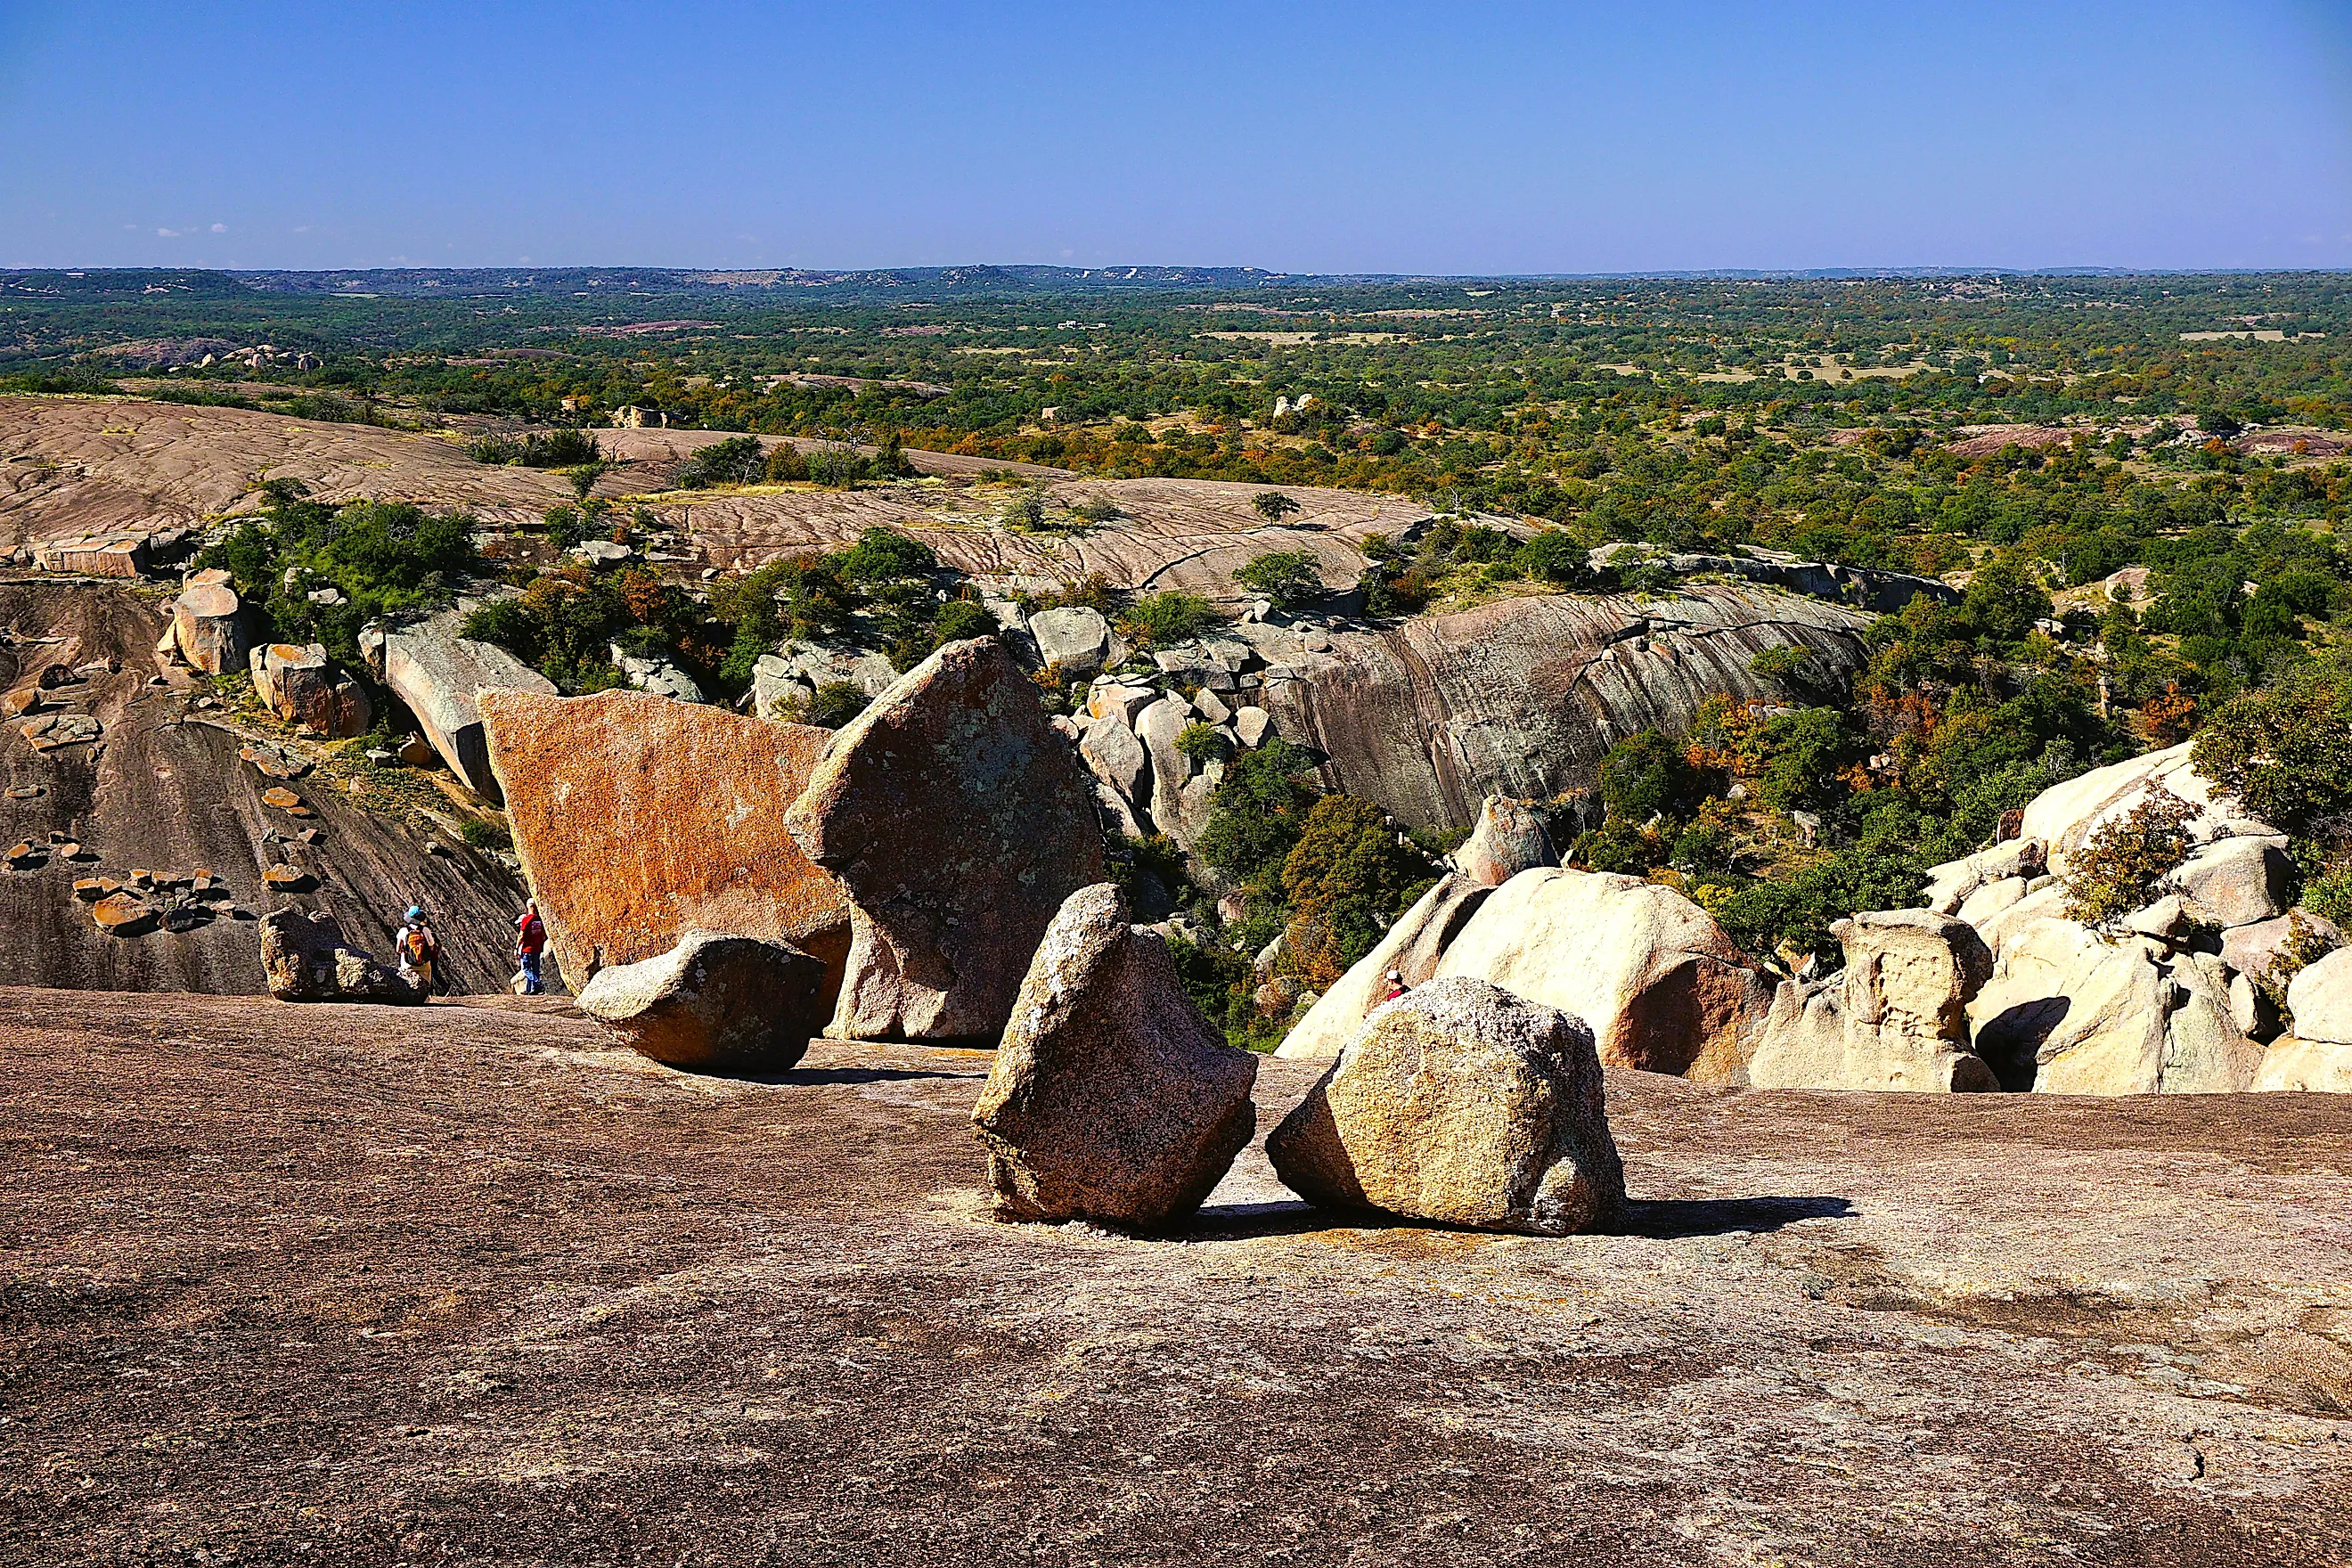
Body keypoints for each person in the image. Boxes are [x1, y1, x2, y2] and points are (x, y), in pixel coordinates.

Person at [396, 905, 440, 995]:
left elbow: (398, 950)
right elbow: (431, 947)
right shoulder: (425, 930)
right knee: (426, 982)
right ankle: (425, 1000)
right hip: (423, 963)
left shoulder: (403, 931)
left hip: (407, 963)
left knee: (406, 982)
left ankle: (407, 999)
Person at [515, 898, 547, 996]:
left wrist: (517, 948)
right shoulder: (539, 920)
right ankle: (531, 989)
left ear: (528, 906)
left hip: (527, 949)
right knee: (535, 969)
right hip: (537, 948)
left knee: (526, 969)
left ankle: (538, 984)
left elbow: (521, 935)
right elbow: (543, 935)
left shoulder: (526, 919)